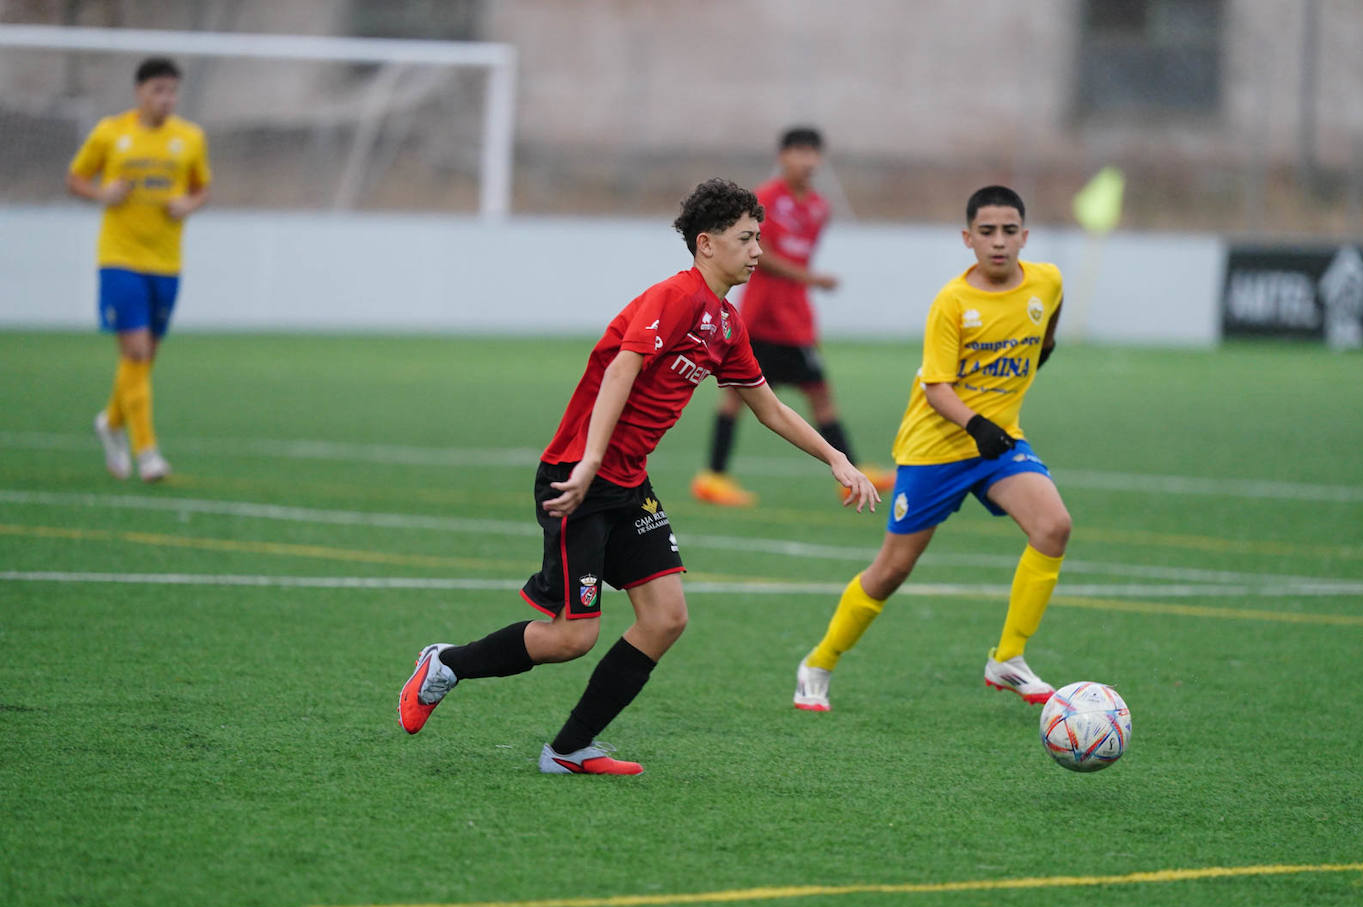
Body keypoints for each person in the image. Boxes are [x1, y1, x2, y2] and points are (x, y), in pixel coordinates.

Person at [399, 178, 880, 775]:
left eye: (760, 238)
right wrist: (592, 459)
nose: (758, 251)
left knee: (666, 618)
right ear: (707, 244)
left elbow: (771, 408)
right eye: (746, 238)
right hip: (577, 477)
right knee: (572, 637)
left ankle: (570, 750)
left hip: (627, 483)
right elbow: (621, 369)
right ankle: (446, 664)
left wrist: (836, 458)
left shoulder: (727, 325)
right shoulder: (674, 298)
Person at [793, 185, 1068, 712]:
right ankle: (819, 662)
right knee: (891, 570)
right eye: (986, 232)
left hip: (998, 444)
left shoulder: (1047, 281)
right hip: (934, 450)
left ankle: (1007, 658)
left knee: (1053, 527)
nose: (999, 241)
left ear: (1025, 236)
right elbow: (937, 389)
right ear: (968, 238)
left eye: (1009, 231)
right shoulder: (952, 303)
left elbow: (1049, 322)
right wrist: (977, 424)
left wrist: (1043, 350)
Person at [691, 126, 894, 507]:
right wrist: (812, 279)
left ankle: (848, 473)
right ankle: (713, 478)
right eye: (799, 151)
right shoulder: (762, 202)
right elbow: (759, 255)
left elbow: (798, 258)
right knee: (736, 395)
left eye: (813, 152)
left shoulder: (819, 208)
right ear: (782, 156)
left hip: (795, 319)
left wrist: (807, 293)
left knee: (820, 395)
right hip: (761, 317)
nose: (807, 160)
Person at [68, 57, 211, 482]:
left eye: (173, 91)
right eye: (159, 91)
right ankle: (147, 452)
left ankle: (111, 423)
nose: (167, 99)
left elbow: (202, 189)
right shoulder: (112, 133)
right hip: (119, 258)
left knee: (145, 359)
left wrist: (188, 204)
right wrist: (101, 194)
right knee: (135, 351)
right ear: (140, 92)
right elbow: (76, 179)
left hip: (166, 262)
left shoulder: (189, 138)